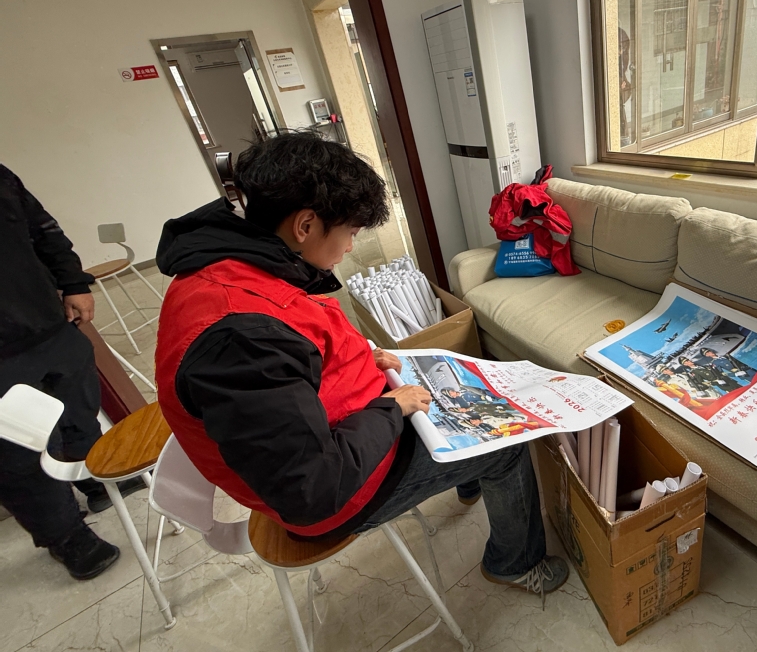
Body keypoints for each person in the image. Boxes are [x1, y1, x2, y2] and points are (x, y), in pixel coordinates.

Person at [154, 131, 568, 601]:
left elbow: (289, 363)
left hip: (343, 432)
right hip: (342, 491)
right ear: (305, 225)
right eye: (350, 232)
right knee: (506, 446)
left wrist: (355, 361)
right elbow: (312, 489)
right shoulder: (241, 342)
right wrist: (391, 408)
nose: (350, 247)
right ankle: (515, 563)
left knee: (453, 395)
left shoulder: (230, 267)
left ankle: (466, 479)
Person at [0, 165, 143, 580]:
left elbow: (44, 230)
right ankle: (66, 535)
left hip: (46, 320)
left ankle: (94, 477)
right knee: (18, 452)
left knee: (78, 410)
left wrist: (74, 282)